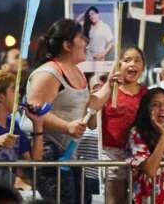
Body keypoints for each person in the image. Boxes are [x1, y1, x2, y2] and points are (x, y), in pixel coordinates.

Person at [25, 19, 115, 203]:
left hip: (71, 155)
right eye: (81, 37)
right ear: (67, 45)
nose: (87, 42)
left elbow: (89, 106)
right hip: (49, 155)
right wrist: (67, 127)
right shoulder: (48, 74)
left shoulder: (77, 71)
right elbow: (34, 112)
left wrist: (111, 84)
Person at [102, 46, 148, 204]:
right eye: (127, 60)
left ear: (143, 67)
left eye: (137, 60)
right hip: (112, 153)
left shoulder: (148, 95)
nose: (132, 64)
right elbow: (92, 123)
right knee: (115, 198)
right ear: (118, 65)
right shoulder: (107, 91)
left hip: (139, 152)